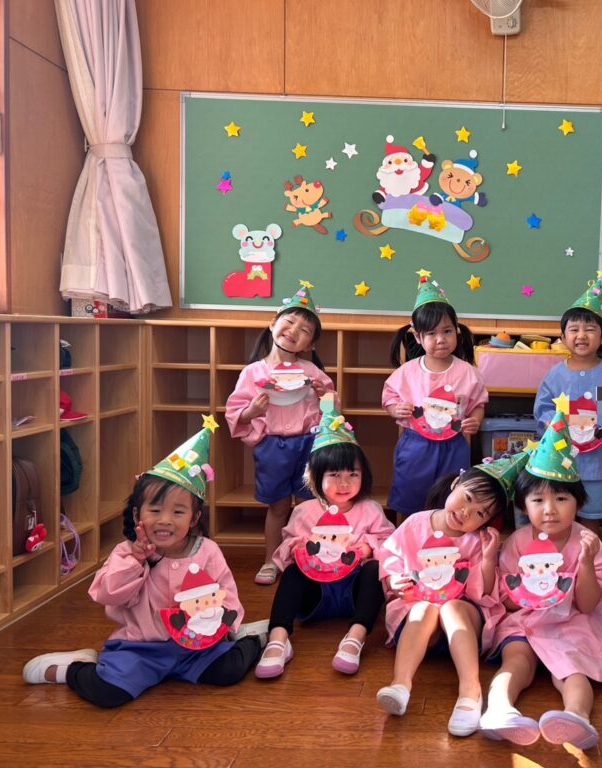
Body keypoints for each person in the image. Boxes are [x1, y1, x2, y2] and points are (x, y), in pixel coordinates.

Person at [23, 418, 261, 707]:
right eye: (155, 510)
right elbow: (107, 594)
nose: (165, 520)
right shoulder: (127, 553)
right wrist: (137, 561)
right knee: (108, 693)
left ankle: (252, 638)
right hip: (140, 649)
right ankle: (75, 667)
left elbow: (226, 592)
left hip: (197, 647)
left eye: (178, 512)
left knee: (230, 670)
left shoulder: (207, 551)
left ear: (194, 518)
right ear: (138, 515)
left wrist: (226, 622)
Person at [480, 398, 602, 749]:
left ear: (579, 502)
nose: (550, 510)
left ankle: (577, 717)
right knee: (516, 662)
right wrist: (527, 593)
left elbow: (588, 605)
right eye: (538, 501)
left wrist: (585, 564)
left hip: (572, 622)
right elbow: (508, 602)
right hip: (526, 621)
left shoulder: (588, 542)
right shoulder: (518, 542)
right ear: (523, 506)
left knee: (572, 669)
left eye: (561, 499)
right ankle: (498, 710)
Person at [376, 453, 527, 737]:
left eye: (481, 513)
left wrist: (487, 558)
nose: (467, 513)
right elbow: (391, 556)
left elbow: (484, 592)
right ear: (456, 483)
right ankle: (400, 684)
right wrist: (394, 580)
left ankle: (470, 692)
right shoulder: (416, 523)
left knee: (451, 608)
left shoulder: (478, 541)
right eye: (467, 498)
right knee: (423, 609)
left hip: (463, 624)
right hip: (421, 624)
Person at [255, 397, 394, 679]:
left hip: (355, 593)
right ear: (316, 476)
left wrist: (368, 548)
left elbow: (389, 543)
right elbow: (284, 551)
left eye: (353, 474)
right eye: (334, 475)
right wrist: (300, 548)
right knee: (292, 573)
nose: (344, 483)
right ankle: (278, 639)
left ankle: (356, 636)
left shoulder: (370, 509)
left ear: (364, 476)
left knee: (375, 570)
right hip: (315, 595)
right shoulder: (304, 511)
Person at [225, 280, 336, 584]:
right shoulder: (253, 372)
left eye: (304, 330)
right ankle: (271, 560)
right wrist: (252, 412)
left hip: (309, 445)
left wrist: (325, 395)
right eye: (289, 322)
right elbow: (235, 412)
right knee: (278, 506)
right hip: (273, 447)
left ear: (309, 345)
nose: (294, 330)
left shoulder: (312, 373)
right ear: (273, 324)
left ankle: (308, 558)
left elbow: (332, 412)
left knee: (310, 505)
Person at [383, 269, 487, 521]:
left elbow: (478, 403)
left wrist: (475, 420)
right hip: (416, 445)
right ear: (418, 337)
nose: (441, 339)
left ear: (456, 331)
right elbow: (389, 397)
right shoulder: (407, 372)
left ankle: (447, 537)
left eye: (447, 331)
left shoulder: (468, 372)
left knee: (451, 498)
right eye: (431, 333)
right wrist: (395, 409)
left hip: (454, 446)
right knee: (411, 496)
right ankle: (407, 536)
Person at [534, 271, 602, 532]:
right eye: (574, 330)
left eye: (590, 330)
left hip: (597, 459)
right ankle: (560, 552)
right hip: (561, 455)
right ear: (563, 337)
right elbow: (545, 409)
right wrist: (549, 423)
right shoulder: (556, 375)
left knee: (591, 514)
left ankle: (590, 552)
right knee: (559, 510)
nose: (581, 335)